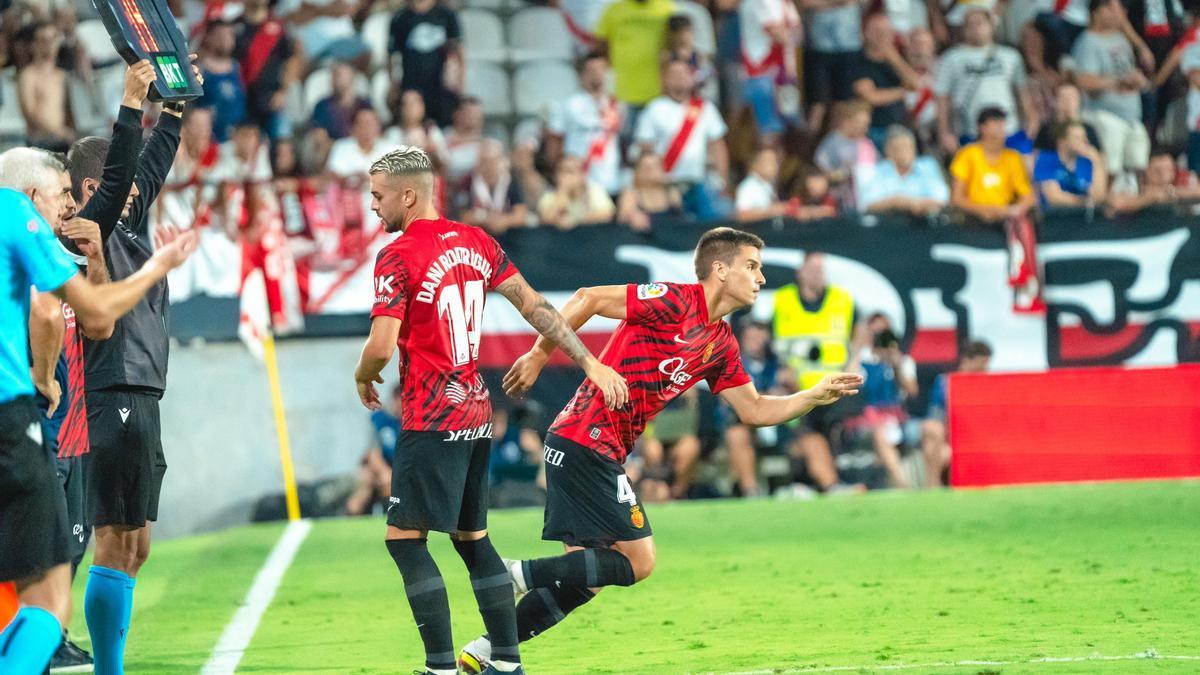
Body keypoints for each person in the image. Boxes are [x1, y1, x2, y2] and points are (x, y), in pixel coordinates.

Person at [456, 228, 863, 672]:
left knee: (584, 578)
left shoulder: (721, 342)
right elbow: (588, 297)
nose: (761, 278)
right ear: (720, 270)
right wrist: (538, 354)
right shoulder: (673, 300)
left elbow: (755, 409)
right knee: (639, 560)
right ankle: (512, 574)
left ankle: (488, 652)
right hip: (585, 441)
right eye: (752, 266)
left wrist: (812, 395)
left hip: (590, 448)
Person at [353, 145, 628, 675]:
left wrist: (363, 373)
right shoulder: (476, 241)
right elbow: (536, 306)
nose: (372, 206)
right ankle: (506, 662)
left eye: (377, 196)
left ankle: (438, 668)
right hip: (478, 412)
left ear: (408, 195)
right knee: (473, 540)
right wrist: (588, 361)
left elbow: (382, 346)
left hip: (433, 415)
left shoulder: (398, 254)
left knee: (405, 541)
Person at [0, 148, 196, 675]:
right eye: (61, 194)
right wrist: (159, 264)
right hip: (21, 418)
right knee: (48, 590)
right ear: (33, 194)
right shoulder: (16, 217)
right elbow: (68, 312)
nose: (66, 207)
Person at [73, 60, 201, 674]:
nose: (127, 194)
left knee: (138, 543)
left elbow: (147, 167)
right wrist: (130, 106)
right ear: (86, 192)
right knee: (113, 537)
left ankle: (108, 661)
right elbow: (127, 165)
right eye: (110, 188)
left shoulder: (123, 219)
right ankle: (109, 669)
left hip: (143, 390)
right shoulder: (85, 228)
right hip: (111, 387)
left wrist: (175, 105)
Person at [770, 252, 860, 493]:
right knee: (805, 433)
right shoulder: (783, 300)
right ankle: (831, 485)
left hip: (835, 391)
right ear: (800, 272)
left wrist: (854, 361)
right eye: (812, 269)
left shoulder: (842, 300)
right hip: (797, 390)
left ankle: (824, 483)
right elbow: (772, 344)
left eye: (821, 270)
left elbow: (860, 331)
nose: (817, 275)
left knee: (823, 432)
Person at [635, 59, 730, 221]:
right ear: (665, 79)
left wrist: (724, 180)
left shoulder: (705, 108)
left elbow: (718, 147)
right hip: (667, 185)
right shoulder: (654, 108)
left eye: (683, 73)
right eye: (674, 74)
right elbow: (646, 150)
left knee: (718, 222)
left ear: (692, 77)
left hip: (699, 183)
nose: (679, 78)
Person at [934, 7, 1037, 156]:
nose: (975, 28)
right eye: (970, 24)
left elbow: (1021, 91)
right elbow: (942, 97)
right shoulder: (951, 58)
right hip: (970, 131)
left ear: (992, 26)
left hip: (1009, 129)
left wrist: (1031, 118)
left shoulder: (1011, 56)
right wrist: (944, 132)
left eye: (980, 23)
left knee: (1021, 171)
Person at [1071, 0, 1151, 179]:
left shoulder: (1121, 38)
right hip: (1104, 115)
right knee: (1111, 169)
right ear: (1097, 12)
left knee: (1139, 168)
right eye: (1113, 8)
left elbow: (1136, 67)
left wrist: (1136, 79)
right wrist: (1118, 82)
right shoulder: (1088, 42)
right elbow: (1084, 81)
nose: (1120, 13)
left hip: (1131, 116)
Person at [546, 51, 624, 196]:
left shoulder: (616, 106)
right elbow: (554, 143)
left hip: (610, 181)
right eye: (592, 70)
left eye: (601, 69)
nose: (597, 74)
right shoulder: (568, 105)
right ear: (582, 74)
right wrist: (557, 174)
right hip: (578, 179)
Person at [948, 107, 1035, 226]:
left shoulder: (1013, 157)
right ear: (982, 127)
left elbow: (1027, 195)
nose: (1002, 127)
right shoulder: (967, 154)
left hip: (1006, 220)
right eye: (996, 122)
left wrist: (1015, 210)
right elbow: (957, 198)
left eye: (1003, 122)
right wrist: (982, 210)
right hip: (972, 221)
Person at [921, 340, 991, 487]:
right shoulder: (944, 383)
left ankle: (931, 488)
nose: (985, 369)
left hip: (979, 440)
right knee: (931, 432)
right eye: (982, 364)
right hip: (950, 439)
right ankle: (931, 488)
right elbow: (935, 417)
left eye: (987, 364)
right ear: (966, 360)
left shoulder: (989, 385)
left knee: (934, 447)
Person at [389, 0, 463, 128]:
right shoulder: (400, 17)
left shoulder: (446, 15)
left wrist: (460, 81)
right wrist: (393, 83)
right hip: (411, 84)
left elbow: (458, 51)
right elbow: (392, 55)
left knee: (442, 127)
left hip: (440, 86)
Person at [852, 13, 921, 149]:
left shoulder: (896, 60)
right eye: (877, 31)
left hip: (900, 125)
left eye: (886, 32)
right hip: (872, 129)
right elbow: (871, 97)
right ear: (865, 33)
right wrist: (902, 91)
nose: (881, 36)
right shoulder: (858, 60)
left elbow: (914, 84)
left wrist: (893, 57)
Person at [594, 0, 676, 111]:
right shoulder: (614, 10)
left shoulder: (668, 9)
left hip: (659, 93)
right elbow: (601, 46)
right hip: (621, 94)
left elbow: (677, 43)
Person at [738, 0, 801, 144]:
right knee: (768, 129)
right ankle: (763, 163)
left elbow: (798, 33)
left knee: (787, 124)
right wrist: (788, 33)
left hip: (784, 71)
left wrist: (789, 34)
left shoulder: (785, 2)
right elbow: (778, 34)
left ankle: (778, 163)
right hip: (760, 71)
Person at [233, 0, 298, 140]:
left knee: (279, 145)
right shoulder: (233, 26)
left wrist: (283, 91)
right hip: (240, 97)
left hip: (269, 98)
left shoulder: (279, 28)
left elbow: (291, 60)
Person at [857, 125, 949, 217]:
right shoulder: (879, 170)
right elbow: (868, 203)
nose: (904, 152)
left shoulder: (928, 166)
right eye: (898, 148)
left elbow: (942, 198)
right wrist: (896, 202)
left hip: (924, 222)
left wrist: (912, 203)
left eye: (907, 147)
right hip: (889, 224)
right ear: (888, 151)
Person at [16, 21, 72, 151]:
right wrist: (58, 132)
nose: (50, 44)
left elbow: (70, 112)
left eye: (53, 38)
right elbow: (30, 114)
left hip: (63, 140)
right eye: (43, 40)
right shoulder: (28, 76)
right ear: (33, 45)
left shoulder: (62, 76)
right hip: (39, 142)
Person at [347, 384, 401, 515]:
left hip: (403, 469)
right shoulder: (380, 420)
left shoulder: (417, 421)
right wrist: (384, 472)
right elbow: (373, 452)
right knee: (367, 481)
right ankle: (351, 519)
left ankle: (392, 518)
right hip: (382, 468)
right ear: (394, 399)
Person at [454, 139, 528, 235]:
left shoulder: (511, 180)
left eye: (493, 161)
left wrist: (504, 221)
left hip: (507, 237)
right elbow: (462, 216)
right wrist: (484, 219)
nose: (489, 166)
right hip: (477, 236)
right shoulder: (467, 181)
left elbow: (521, 215)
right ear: (478, 162)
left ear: (501, 161)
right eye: (484, 161)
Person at [194, 19, 247, 143]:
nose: (226, 40)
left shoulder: (236, 67)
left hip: (236, 137)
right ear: (209, 38)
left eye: (230, 35)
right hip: (208, 138)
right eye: (221, 35)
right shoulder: (200, 68)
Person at [1033, 120, 1107, 208]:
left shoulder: (1087, 163)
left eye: (1085, 137)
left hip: (1082, 217)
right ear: (1062, 142)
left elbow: (1099, 197)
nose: (1085, 141)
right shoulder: (1046, 159)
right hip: (1054, 217)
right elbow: (1054, 198)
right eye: (1077, 138)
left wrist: (1097, 162)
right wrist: (1085, 202)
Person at [536, 156, 616, 230]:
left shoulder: (593, 190)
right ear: (557, 176)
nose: (568, 177)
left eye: (572, 171)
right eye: (564, 172)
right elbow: (545, 221)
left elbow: (607, 214)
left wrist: (576, 220)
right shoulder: (549, 196)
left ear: (582, 175)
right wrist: (562, 194)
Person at [616, 152, 684, 231]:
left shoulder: (672, 193)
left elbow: (680, 218)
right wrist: (632, 216)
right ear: (637, 172)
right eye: (646, 168)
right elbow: (622, 217)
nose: (651, 172)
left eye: (655, 166)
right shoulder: (631, 194)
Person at [312, 61, 374, 142]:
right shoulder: (322, 106)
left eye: (338, 75)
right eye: (332, 75)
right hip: (334, 152)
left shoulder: (365, 105)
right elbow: (319, 137)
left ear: (352, 77)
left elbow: (373, 133)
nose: (333, 79)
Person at [735, 147, 790, 221]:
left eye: (775, 161)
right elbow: (742, 215)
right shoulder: (749, 187)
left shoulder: (768, 184)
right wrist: (771, 210)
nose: (773, 165)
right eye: (768, 161)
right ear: (755, 164)